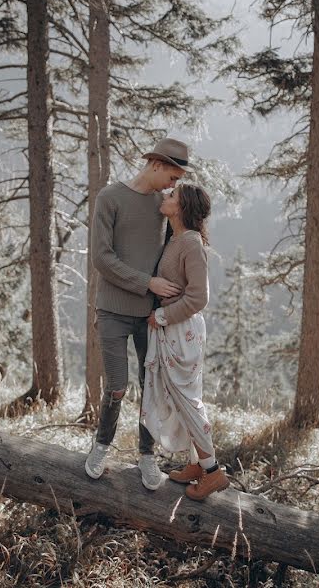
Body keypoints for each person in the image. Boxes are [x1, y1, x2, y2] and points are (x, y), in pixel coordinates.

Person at [84, 137, 191, 490]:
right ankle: (101, 446)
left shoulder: (164, 206)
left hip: (151, 316)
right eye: (173, 177)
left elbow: (174, 251)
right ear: (156, 164)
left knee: (150, 388)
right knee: (117, 387)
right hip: (113, 310)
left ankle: (146, 456)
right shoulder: (110, 197)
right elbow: (102, 258)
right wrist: (148, 283)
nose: (174, 186)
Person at [141, 184, 230, 501]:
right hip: (174, 330)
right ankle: (196, 463)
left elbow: (199, 298)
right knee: (182, 398)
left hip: (182, 330)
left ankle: (214, 471)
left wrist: (163, 317)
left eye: (172, 196)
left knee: (188, 400)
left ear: (182, 207)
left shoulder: (191, 243)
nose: (165, 197)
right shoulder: (176, 238)